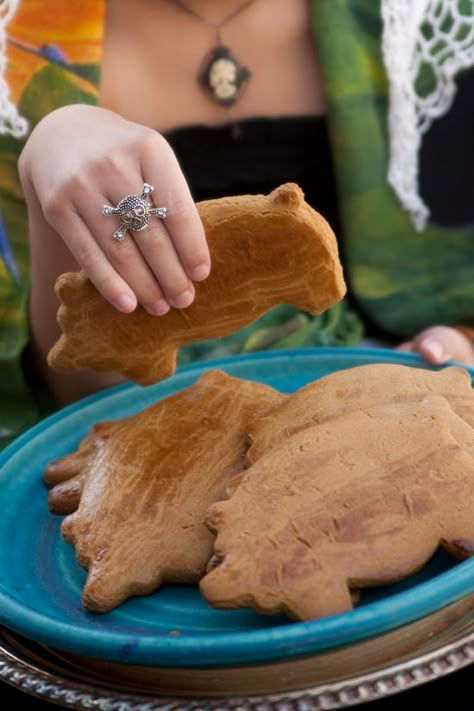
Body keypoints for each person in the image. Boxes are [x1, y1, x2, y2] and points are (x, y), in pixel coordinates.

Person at [0, 4, 473, 708]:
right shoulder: (20, 54)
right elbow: (90, 394)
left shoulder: (435, 24)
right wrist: (48, 152)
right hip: (139, 649)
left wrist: (452, 343)